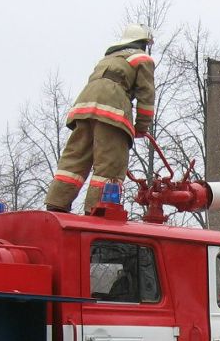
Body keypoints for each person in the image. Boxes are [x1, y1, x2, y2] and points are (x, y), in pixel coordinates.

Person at [43, 23, 156, 214]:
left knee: (75, 159)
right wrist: (142, 127)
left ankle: (57, 202)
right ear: (143, 43)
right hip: (112, 107)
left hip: (84, 107)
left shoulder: (108, 59)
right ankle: (98, 210)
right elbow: (147, 96)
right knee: (110, 163)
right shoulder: (142, 58)